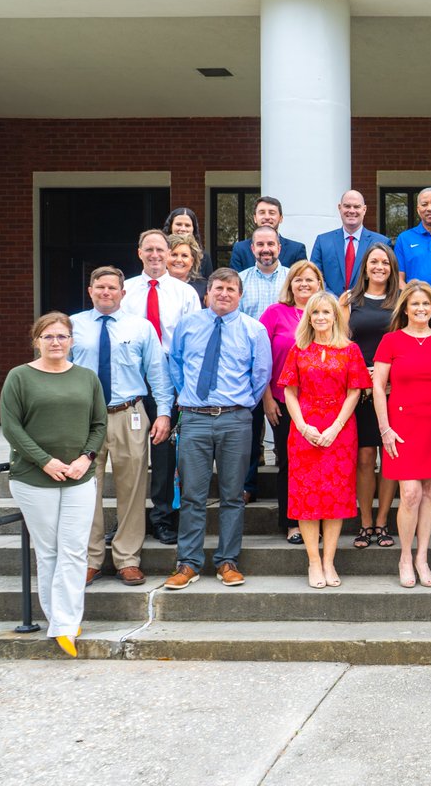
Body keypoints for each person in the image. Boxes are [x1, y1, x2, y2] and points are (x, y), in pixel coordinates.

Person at [0, 313, 107, 657]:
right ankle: (60, 620)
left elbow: (99, 422)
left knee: (74, 550)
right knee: (48, 552)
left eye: (62, 336)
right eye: (48, 337)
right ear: (37, 341)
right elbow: (12, 428)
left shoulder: (87, 377)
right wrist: (44, 460)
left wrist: (85, 458)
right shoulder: (19, 377)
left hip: (79, 477)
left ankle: (66, 623)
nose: (56, 342)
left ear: (72, 341)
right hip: (34, 479)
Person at [165, 268, 271, 590]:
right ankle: (188, 563)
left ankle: (227, 561)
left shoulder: (254, 330)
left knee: (232, 495)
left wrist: (238, 407)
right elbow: (176, 366)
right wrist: (192, 400)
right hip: (195, 418)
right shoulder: (188, 325)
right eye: (218, 288)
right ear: (207, 292)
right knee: (193, 495)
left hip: (235, 419)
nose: (224, 294)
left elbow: (261, 374)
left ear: (240, 295)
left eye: (231, 289)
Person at [69, 267, 173, 587]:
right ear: (90, 291)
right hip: (84, 417)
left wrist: (164, 413)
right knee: (86, 490)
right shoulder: (72, 325)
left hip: (129, 414)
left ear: (123, 292)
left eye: (112, 287)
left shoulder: (140, 327)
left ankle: (128, 558)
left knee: (132, 488)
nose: (106, 292)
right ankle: (91, 558)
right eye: (99, 287)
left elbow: (158, 373)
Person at [372, 281, 431, 588]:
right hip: (401, 426)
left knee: (430, 493)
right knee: (409, 493)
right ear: (405, 309)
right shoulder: (391, 341)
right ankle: (405, 557)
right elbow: (378, 388)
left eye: (426, 305)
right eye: (415, 304)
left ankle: (423, 557)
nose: (421, 309)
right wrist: (385, 429)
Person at [280, 291, 370, 589]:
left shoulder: (350, 351)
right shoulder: (298, 350)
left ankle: (329, 560)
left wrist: (336, 427)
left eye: (326, 312)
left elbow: (354, 391)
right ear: (309, 317)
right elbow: (289, 392)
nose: (320, 317)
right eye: (315, 312)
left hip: (340, 431)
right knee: (307, 498)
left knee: (334, 497)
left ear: (335, 316)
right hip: (304, 429)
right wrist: (303, 426)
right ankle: (313, 562)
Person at [123, 229, 202, 543]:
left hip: (169, 379)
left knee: (164, 453)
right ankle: (131, 520)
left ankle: (163, 517)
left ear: (169, 254)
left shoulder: (184, 294)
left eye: (161, 250)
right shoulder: (125, 291)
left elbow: (192, 343)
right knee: (130, 453)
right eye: (149, 249)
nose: (156, 255)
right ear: (139, 252)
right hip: (132, 380)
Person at [260, 261, 326, 543]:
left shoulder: (325, 315)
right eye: (298, 280)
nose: (304, 285)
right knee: (290, 463)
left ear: (319, 285)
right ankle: (292, 522)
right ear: (290, 284)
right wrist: (266, 398)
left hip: (322, 404)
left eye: (310, 280)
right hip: (283, 402)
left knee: (319, 463)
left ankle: (319, 518)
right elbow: (260, 360)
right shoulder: (275, 313)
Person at [342, 243, 402, 549]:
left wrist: (385, 376)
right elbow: (341, 344)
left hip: (394, 389)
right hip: (360, 391)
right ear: (364, 266)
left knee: (389, 457)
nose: (379, 267)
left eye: (385, 263)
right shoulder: (349, 301)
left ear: (392, 268)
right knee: (365, 457)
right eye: (373, 262)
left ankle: (383, 522)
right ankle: (365, 523)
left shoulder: (401, 301)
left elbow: (406, 343)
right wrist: (360, 374)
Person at [237, 225, 291, 506]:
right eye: (260, 244)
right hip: (248, 369)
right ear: (252, 248)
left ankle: (288, 486)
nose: (265, 249)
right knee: (250, 429)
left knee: (286, 431)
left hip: (287, 367)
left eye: (271, 244)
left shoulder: (292, 279)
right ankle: (247, 485)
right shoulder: (241, 281)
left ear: (279, 247)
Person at [309, 190, 389, 297]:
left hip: (366, 307)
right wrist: (334, 301)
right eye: (347, 206)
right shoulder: (323, 241)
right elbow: (315, 276)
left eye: (356, 207)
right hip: (331, 307)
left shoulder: (381, 242)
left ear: (364, 209)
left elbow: (386, 278)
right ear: (339, 208)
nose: (352, 211)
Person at [229, 195, 309, 272]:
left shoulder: (296, 249)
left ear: (281, 218)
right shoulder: (240, 249)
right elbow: (235, 282)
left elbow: (302, 280)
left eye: (272, 213)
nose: (267, 217)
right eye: (262, 212)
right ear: (255, 218)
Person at [164, 207, 211, 276]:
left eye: (187, 225)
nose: (183, 229)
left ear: (193, 229)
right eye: (179, 224)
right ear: (171, 227)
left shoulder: (204, 257)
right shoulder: (159, 253)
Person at [166, 232, 208, 302]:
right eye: (174, 255)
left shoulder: (205, 288)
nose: (179, 260)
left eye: (184, 256)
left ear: (192, 261)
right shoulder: (156, 285)